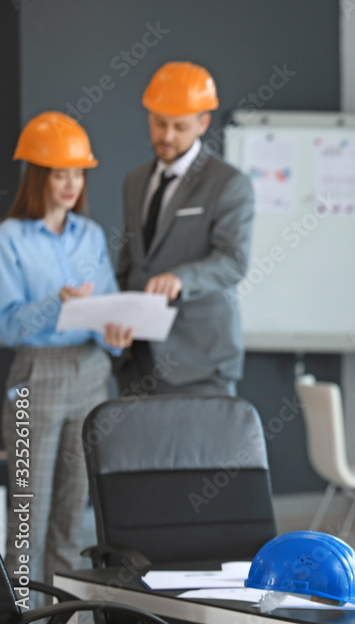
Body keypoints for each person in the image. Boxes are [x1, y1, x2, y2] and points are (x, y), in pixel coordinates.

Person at [0, 112, 134, 592]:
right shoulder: (9, 238)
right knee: (27, 511)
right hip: (36, 375)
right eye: (60, 174)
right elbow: (7, 323)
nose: (71, 184)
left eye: (78, 174)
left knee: (73, 510)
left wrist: (113, 333)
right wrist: (56, 304)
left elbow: (106, 304)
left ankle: (63, 612)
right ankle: (19, 611)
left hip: (91, 373)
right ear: (38, 176)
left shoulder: (91, 235)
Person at [116, 61, 254, 396]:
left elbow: (233, 261)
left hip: (199, 362)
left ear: (203, 122)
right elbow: (130, 261)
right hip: (138, 359)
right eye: (159, 123)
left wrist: (181, 279)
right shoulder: (135, 181)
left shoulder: (228, 184)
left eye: (179, 127)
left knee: (200, 451)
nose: (166, 136)